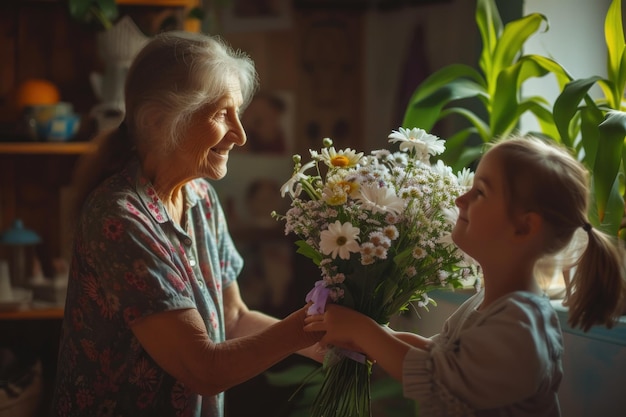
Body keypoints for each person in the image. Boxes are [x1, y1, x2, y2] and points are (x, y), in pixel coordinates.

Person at [51, 31, 322, 417]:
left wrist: (324, 342)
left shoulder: (200, 197)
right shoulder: (119, 216)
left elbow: (234, 318)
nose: (240, 135)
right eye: (219, 114)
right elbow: (204, 369)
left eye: (238, 113)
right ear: (159, 121)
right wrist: (302, 328)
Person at [304, 135, 626, 416]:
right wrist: (372, 335)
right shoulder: (489, 303)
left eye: (480, 192)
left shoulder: (521, 327)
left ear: (525, 226)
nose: (460, 199)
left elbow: (438, 377)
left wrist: (363, 332)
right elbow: (440, 353)